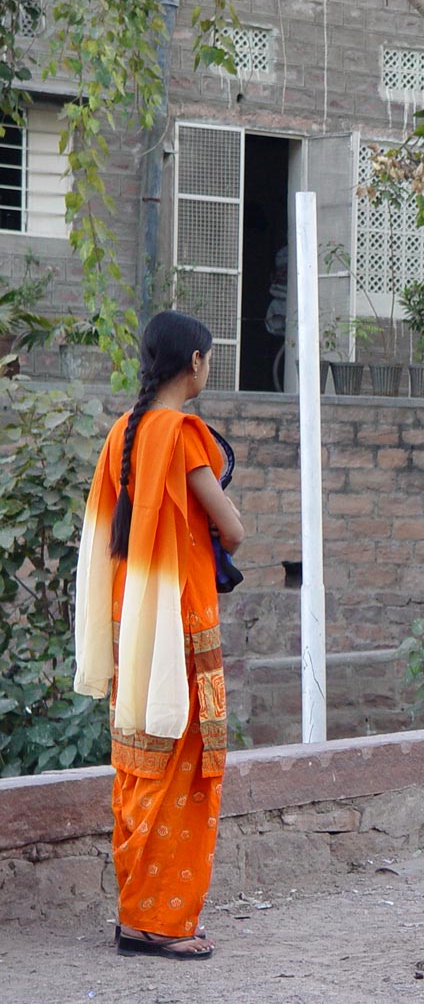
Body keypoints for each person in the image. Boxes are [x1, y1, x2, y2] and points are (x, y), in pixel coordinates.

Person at [73, 311, 245, 961]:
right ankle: (158, 923)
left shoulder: (122, 432)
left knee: (139, 764)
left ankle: (135, 914)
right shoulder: (182, 434)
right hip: (179, 628)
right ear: (195, 362)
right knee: (183, 768)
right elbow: (233, 532)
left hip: (128, 627)